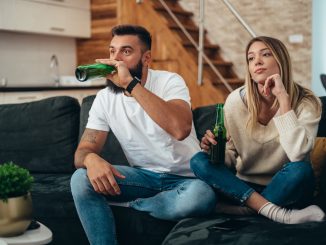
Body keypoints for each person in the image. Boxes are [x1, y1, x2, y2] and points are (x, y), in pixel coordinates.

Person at [70, 24, 216, 245]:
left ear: (146, 58)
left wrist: (130, 84)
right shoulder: (104, 98)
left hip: (187, 179)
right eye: (112, 51)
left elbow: (180, 129)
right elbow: (83, 151)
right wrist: (91, 159)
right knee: (80, 179)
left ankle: (137, 204)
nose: (116, 59)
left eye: (126, 52)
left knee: (201, 197)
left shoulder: (169, 82)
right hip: (143, 178)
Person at [190, 36, 325, 224]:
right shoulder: (235, 101)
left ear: (281, 60)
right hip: (243, 186)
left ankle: (245, 210)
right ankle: (271, 212)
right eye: (251, 58)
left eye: (266, 54)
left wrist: (283, 100)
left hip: (286, 185)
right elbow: (230, 156)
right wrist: (215, 151)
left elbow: (298, 155)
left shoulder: (308, 102)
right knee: (199, 160)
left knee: (301, 170)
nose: (257, 62)